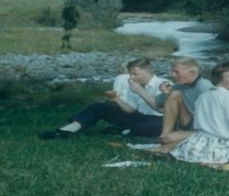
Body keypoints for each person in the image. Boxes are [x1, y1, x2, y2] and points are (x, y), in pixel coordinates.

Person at [38, 58, 167, 139]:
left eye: (135, 73)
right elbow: (131, 110)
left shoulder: (163, 84)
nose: (132, 77)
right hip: (139, 117)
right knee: (97, 107)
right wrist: (116, 99)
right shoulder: (137, 85)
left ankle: (126, 132)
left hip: (160, 120)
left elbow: (160, 108)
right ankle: (67, 130)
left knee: (149, 125)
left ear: (148, 71)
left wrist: (140, 91)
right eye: (130, 74)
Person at [158, 57, 213, 143]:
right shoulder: (180, 85)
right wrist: (165, 92)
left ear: (192, 72)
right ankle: (163, 136)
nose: (172, 75)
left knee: (171, 139)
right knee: (175, 93)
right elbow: (158, 103)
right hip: (189, 123)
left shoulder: (204, 86)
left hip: (204, 128)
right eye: (172, 71)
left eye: (176, 72)